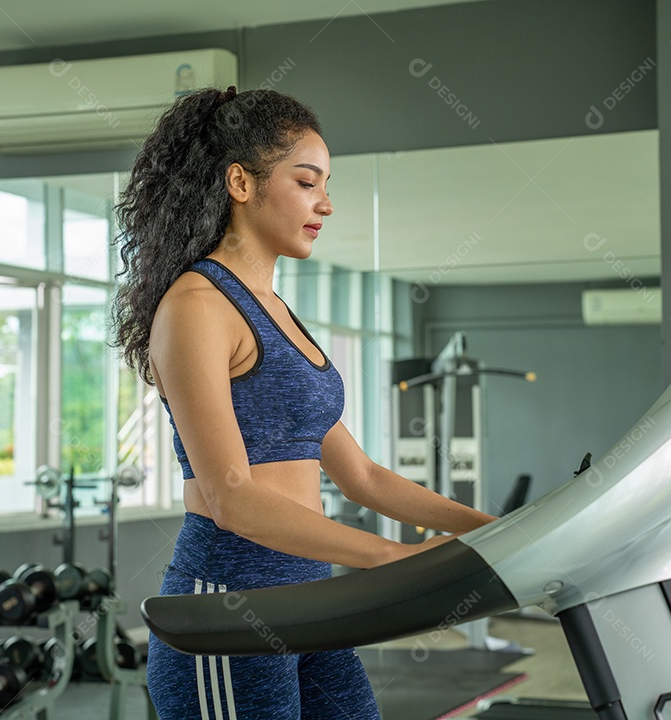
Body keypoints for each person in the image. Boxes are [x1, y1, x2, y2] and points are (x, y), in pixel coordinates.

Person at [112, 85, 496, 720]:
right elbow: (231, 496)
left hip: (311, 601)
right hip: (230, 604)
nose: (326, 203)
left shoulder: (277, 311)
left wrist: (491, 532)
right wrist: (390, 557)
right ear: (241, 182)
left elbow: (363, 475)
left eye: (326, 185)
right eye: (307, 182)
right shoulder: (196, 306)